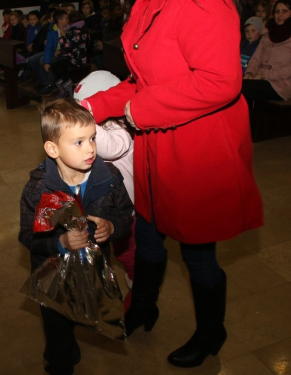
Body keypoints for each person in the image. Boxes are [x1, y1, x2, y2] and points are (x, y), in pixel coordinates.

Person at [80, 0, 263, 368]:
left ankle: (212, 332)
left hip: (196, 147)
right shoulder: (150, 4)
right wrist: (89, 106)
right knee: (146, 233)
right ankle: (144, 308)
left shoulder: (204, 5)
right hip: (157, 143)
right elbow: (142, 80)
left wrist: (141, 109)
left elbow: (221, 80)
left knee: (198, 253)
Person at [19, 98, 133, 375]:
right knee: (57, 329)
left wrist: (113, 227)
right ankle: (60, 362)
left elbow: (125, 214)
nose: (91, 148)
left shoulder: (110, 177)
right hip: (53, 275)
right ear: (52, 148)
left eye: (92, 138)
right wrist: (60, 242)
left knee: (86, 311)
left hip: (93, 270)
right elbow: (27, 236)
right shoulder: (39, 190)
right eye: (79, 142)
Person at [73, 71, 136, 310]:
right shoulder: (97, 128)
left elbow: (110, 148)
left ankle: (136, 281)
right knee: (108, 247)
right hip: (103, 205)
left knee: (127, 250)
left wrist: (85, 119)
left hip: (126, 208)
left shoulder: (121, 130)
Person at [243, 0, 291, 101]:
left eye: (284, 11)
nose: (280, 15)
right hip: (260, 78)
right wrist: (250, 73)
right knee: (235, 84)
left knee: (242, 89)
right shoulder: (267, 33)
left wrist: (264, 75)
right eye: (277, 12)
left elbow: (289, 69)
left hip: (281, 84)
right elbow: (256, 57)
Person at [34, 9, 70, 95]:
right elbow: (48, 48)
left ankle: (50, 84)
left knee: (54, 64)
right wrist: (47, 62)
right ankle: (46, 83)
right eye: (66, 18)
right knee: (43, 62)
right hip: (55, 53)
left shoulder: (70, 30)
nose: (68, 20)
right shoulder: (52, 32)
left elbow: (70, 46)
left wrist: (64, 36)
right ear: (60, 20)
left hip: (65, 54)